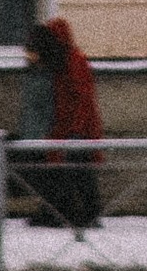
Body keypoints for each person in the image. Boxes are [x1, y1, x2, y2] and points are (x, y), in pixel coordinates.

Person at [17, 16, 104, 233]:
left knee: (79, 170)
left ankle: (87, 214)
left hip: (77, 129)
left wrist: (76, 130)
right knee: (61, 171)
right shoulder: (61, 62)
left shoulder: (73, 61)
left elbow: (82, 98)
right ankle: (65, 211)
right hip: (65, 127)